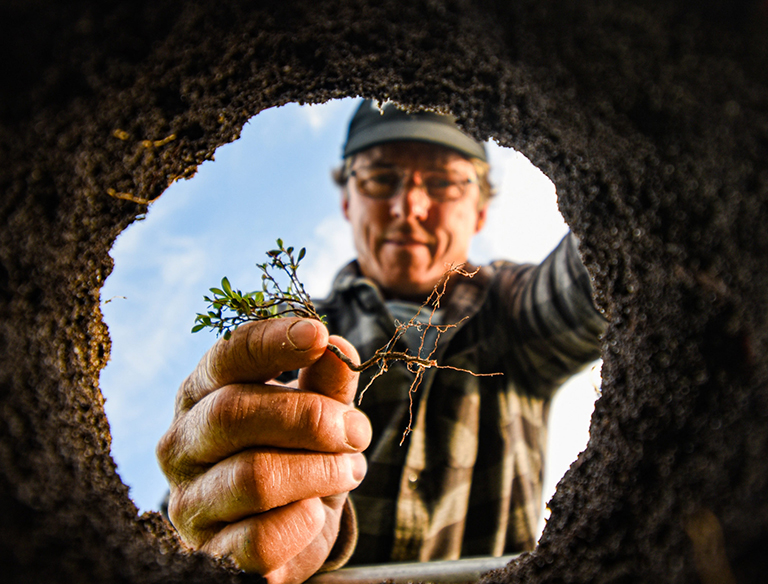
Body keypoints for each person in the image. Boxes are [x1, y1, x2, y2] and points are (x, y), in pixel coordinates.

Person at [156, 100, 606, 584]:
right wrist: (217, 518)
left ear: (479, 211)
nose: (407, 207)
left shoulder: (512, 310)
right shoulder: (295, 336)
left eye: (443, 182)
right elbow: (191, 518)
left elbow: (601, 269)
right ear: (348, 200)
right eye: (379, 178)